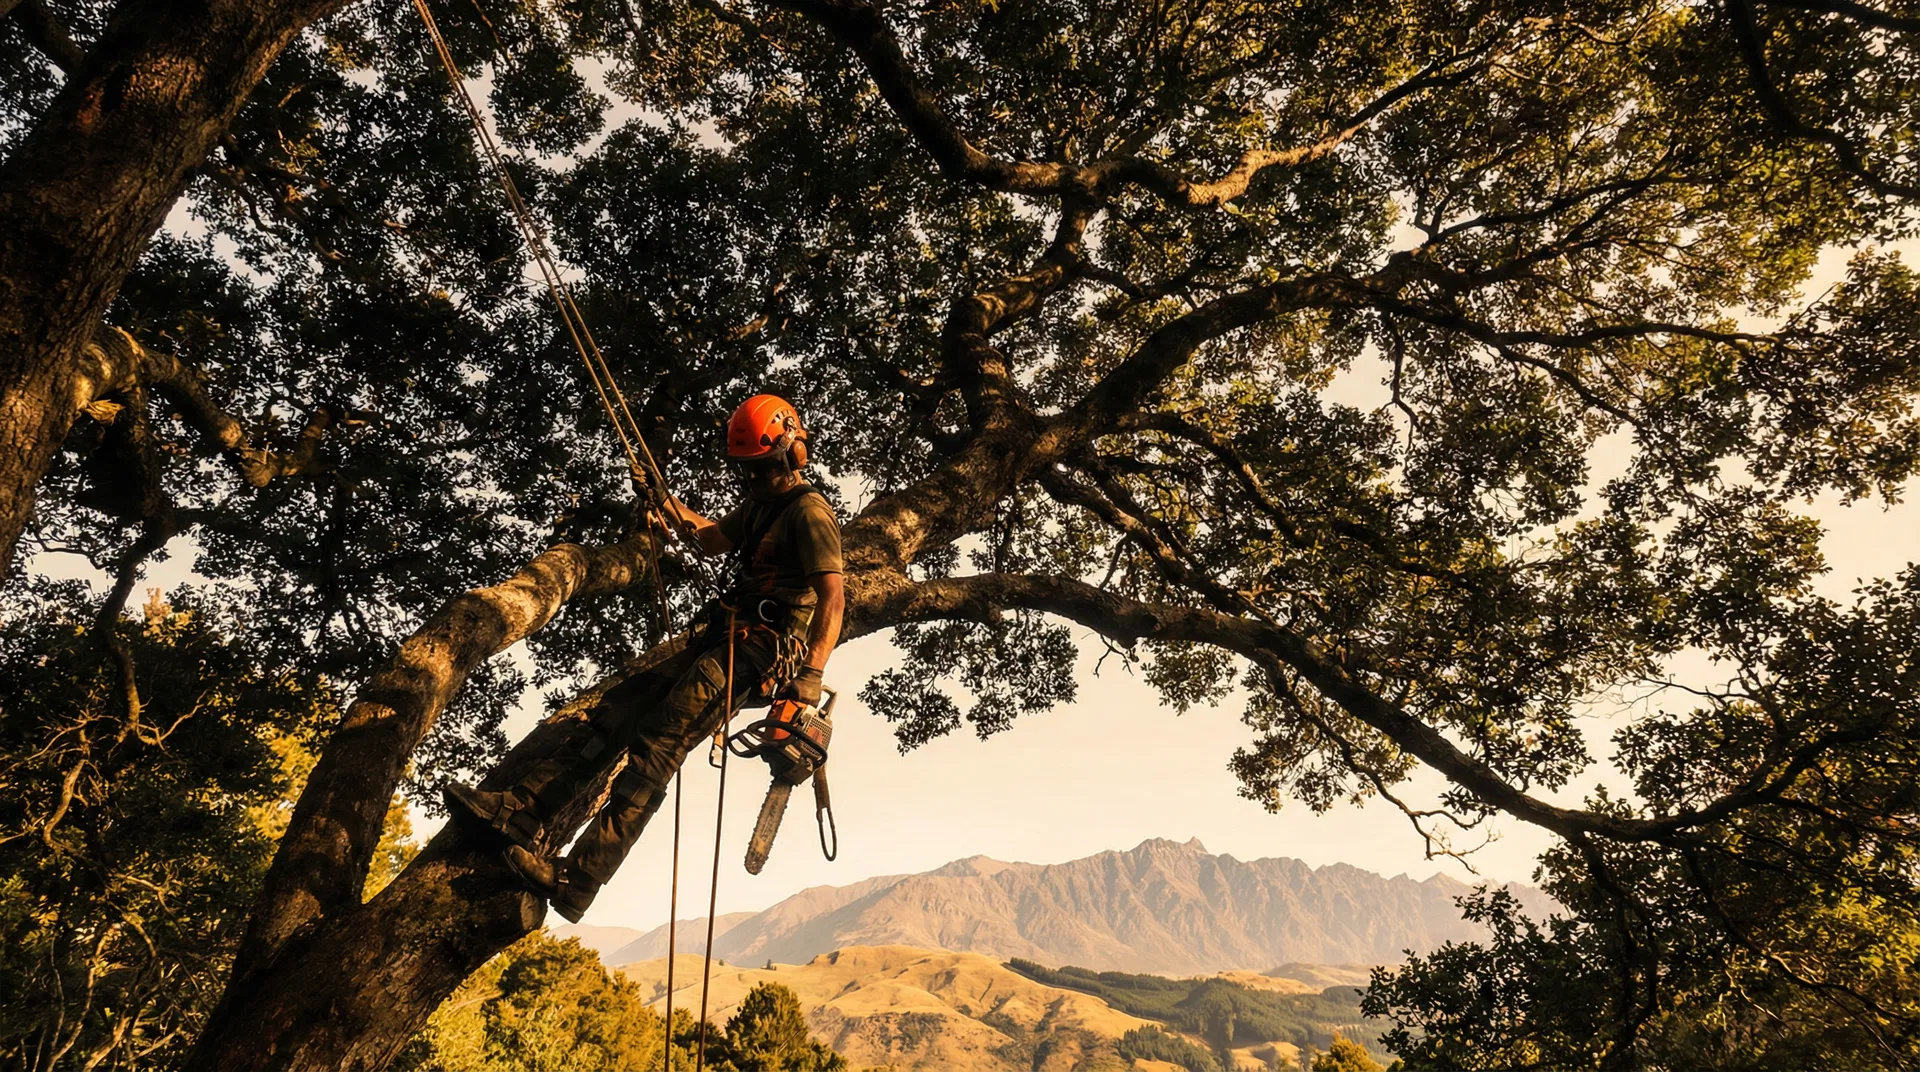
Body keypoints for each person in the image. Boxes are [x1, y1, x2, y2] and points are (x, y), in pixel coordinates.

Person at [443, 394, 845, 922]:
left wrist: (811, 675)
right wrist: (665, 500)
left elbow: (834, 598)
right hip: (725, 633)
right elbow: (709, 540)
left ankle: (578, 879)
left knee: (658, 744)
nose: (757, 477)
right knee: (615, 713)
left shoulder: (808, 512)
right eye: (750, 470)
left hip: (758, 649)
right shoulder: (760, 504)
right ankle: (520, 811)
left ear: (787, 453)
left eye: (764, 468)